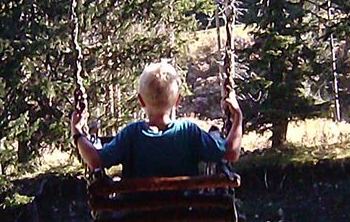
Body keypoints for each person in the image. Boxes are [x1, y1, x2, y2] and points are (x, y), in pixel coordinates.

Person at [72, 61, 243, 177]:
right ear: (178, 101)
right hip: (185, 221)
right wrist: (237, 118)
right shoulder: (190, 133)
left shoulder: (131, 135)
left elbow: (95, 160)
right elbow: (231, 152)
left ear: (140, 101)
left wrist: (78, 133)